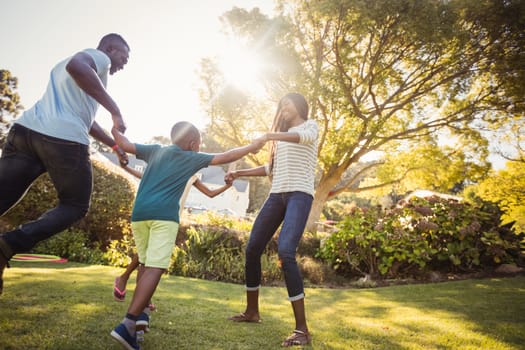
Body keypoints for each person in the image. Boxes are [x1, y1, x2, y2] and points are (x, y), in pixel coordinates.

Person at [109, 121, 266, 350]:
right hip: (164, 216)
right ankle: (128, 323)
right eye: (199, 143)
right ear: (192, 143)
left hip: (139, 214)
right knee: (156, 267)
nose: (199, 146)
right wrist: (251, 147)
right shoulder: (191, 158)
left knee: (144, 263)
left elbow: (123, 143)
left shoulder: (155, 150)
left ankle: (141, 315)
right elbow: (226, 155)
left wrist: (116, 126)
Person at [0, 33, 131, 296]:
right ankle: (7, 244)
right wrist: (115, 111)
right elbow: (77, 66)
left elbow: (86, 120)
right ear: (109, 48)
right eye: (123, 57)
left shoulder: (71, 74)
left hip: (25, 132)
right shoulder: (97, 58)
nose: (123, 64)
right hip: (62, 141)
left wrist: (115, 146)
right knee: (75, 205)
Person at [225, 93, 318, 347]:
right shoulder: (281, 139)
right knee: (253, 248)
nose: (283, 109)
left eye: (286, 104)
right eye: (281, 106)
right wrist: (239, 172)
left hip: (300, 194)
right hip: (277, 195)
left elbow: (301, 138)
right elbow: (270, 169)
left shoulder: (310, 126)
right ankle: (252, 312)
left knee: (286, 252)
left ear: (299, 105)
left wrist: (268, 135)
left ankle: (302, 330)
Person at [113, 167, 233, 304]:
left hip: (171, 217)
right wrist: (127, 168)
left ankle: (130, 284)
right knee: (147, 256)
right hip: (155, 212)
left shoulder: (191, 175)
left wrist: (227, 186)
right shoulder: (169, 166)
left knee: (149, 255)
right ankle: (140, 296)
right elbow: (145, 176)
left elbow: (210, 193)